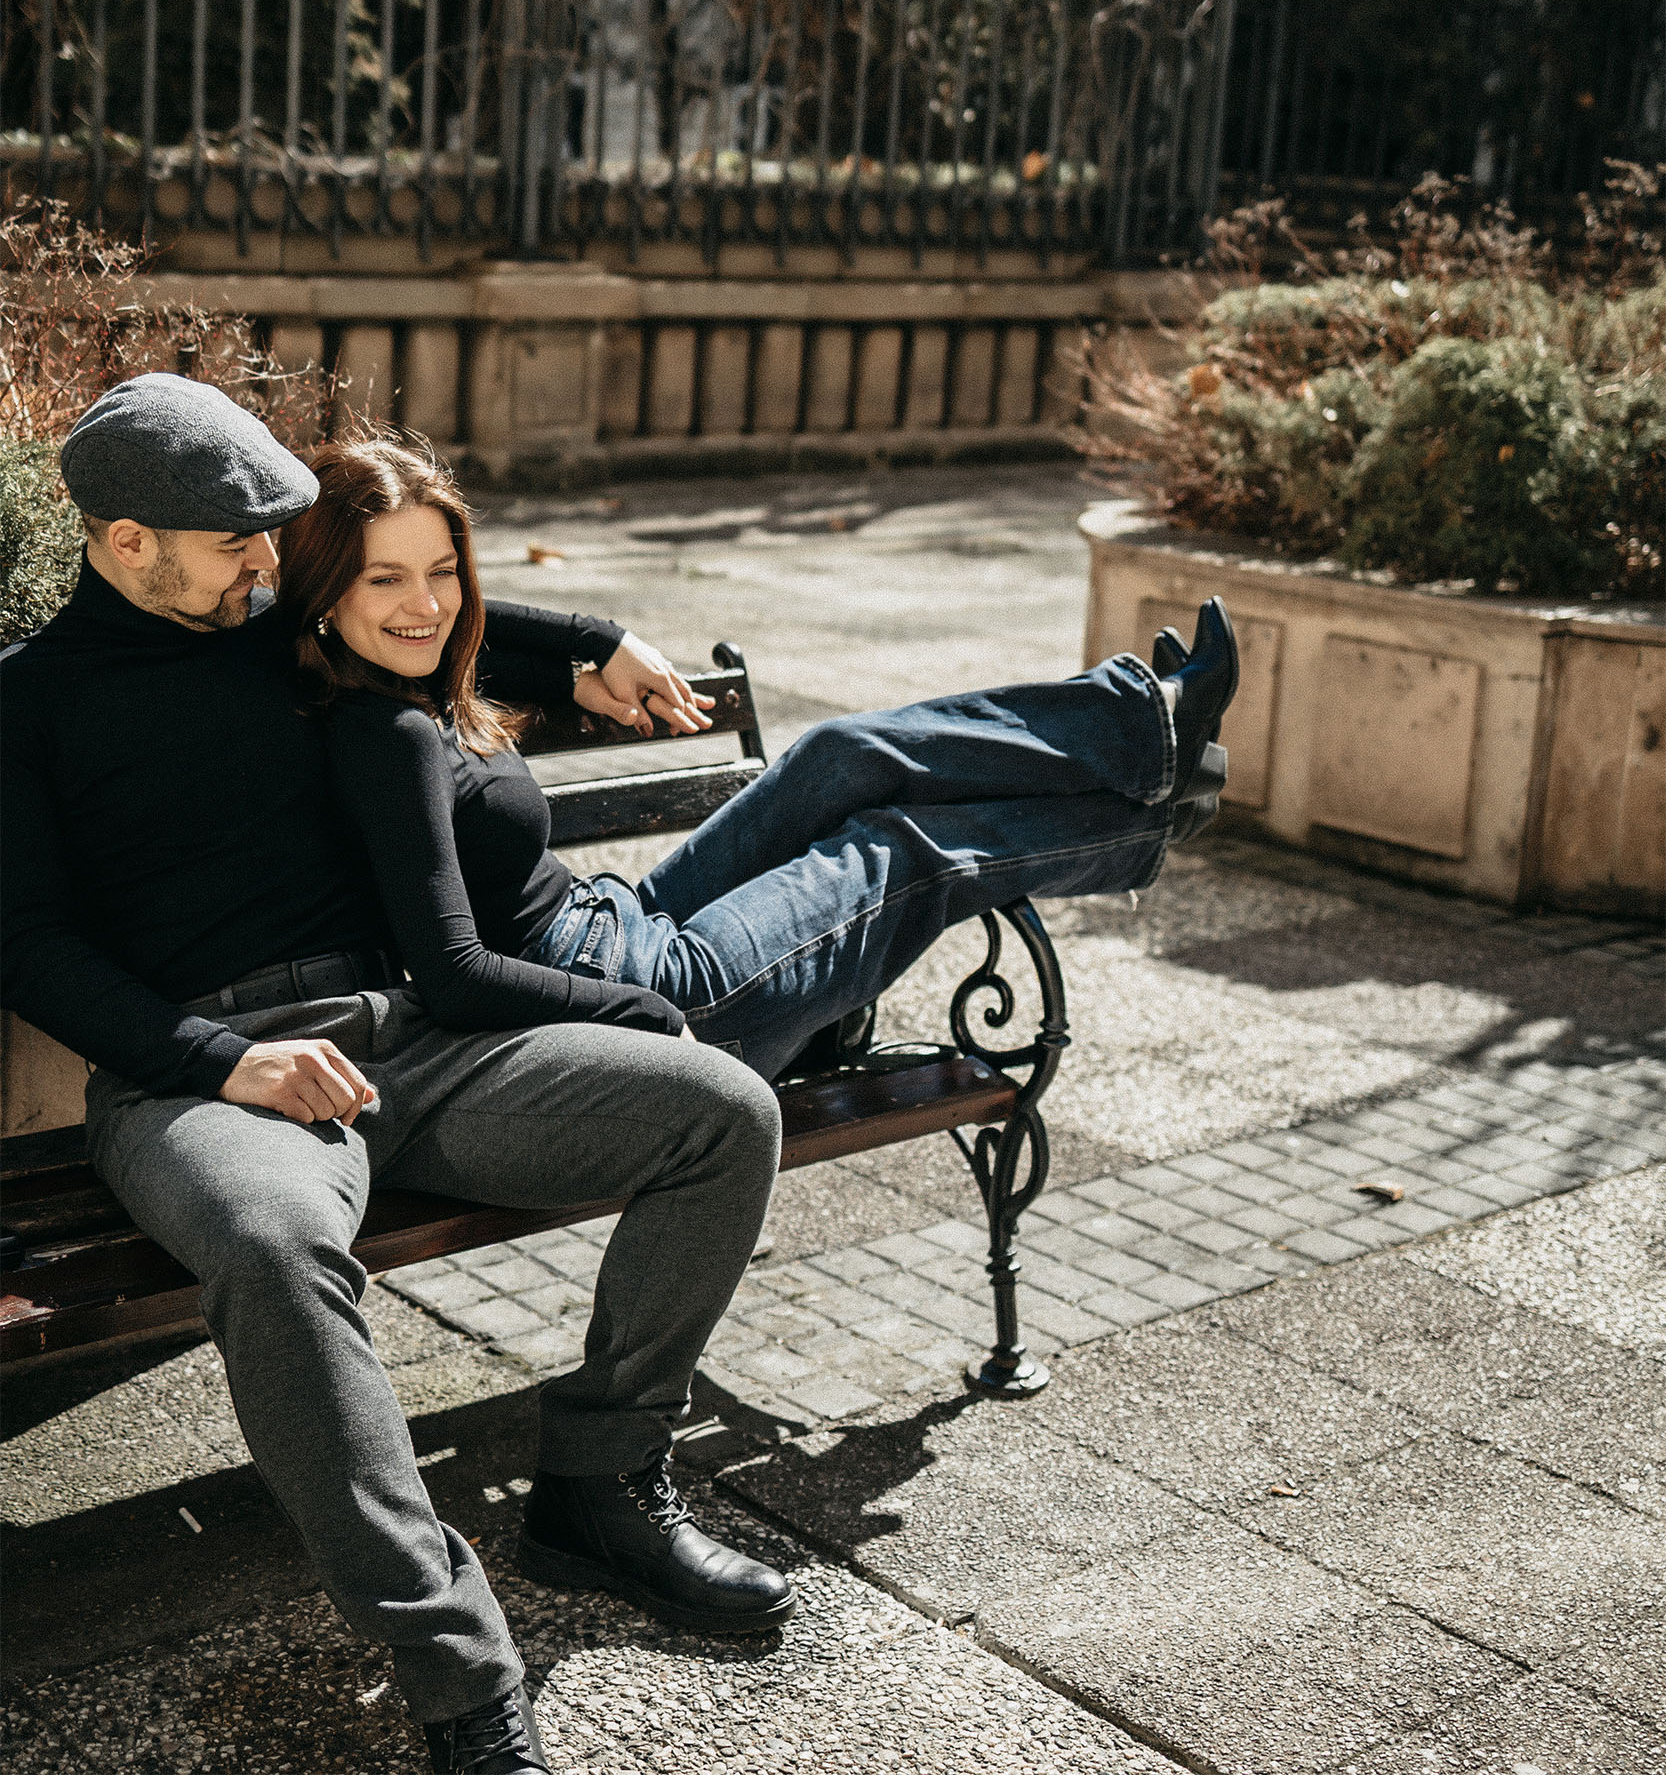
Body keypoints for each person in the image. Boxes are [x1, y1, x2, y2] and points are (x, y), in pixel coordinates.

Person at [0, 376, 801, 1775]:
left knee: (721, 1114)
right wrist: (223, 1060)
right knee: (273, 1246)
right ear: (126, 541)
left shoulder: (278, 635)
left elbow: (417, 598)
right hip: (200, 1079)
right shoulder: (25, 703)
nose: (267, 562)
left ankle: (601, 1480)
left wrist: (592, 641)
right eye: (238, 540)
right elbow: (27, 943)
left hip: (417, 1038)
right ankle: (458, 1669)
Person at [279, 431, 1238, 1088]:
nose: (427, 605)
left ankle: (1145, 727)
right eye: (387, 577)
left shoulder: (387, 666)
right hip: (661, 993)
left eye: (444, 569)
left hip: (624, 921)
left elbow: (468, 627)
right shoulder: (388, 736)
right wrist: (649, 1016)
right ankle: (1149, 816)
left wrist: (591, 642)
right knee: (899, 847)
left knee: (837, 752)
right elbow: (452, 972)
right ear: (328, 589)